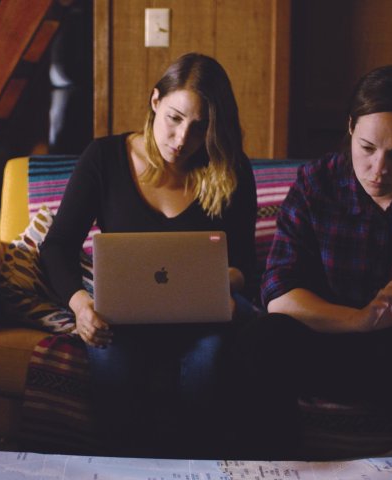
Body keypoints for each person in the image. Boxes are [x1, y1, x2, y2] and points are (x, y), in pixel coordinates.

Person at [245, 65, 392, 458]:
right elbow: (278, 292)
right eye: (367, 148)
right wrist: (357, 319)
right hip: (340, 346)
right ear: (350, 128)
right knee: (264, 338)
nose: (379, 170)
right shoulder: (317, 183)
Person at [40, 52, 258, 458]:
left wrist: (218, 284)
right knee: (116, 389)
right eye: (175, 118)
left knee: (210, 368)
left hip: (204, 318)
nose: (182, 140)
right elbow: (57, 247)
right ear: (155, 101)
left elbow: (247, 264)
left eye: (200, 127)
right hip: (123, 320)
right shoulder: (104, 158)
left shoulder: (230, 168)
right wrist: (82, 306)